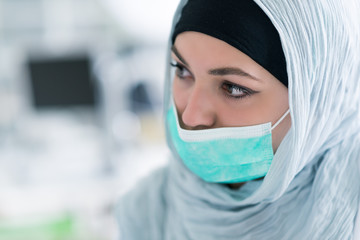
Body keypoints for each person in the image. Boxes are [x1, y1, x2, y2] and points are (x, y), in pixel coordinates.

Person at [117, 0, 360, 239]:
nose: (191, 116)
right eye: (183, 71)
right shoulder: (146, 211)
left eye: (233, 88)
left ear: (317, 97)